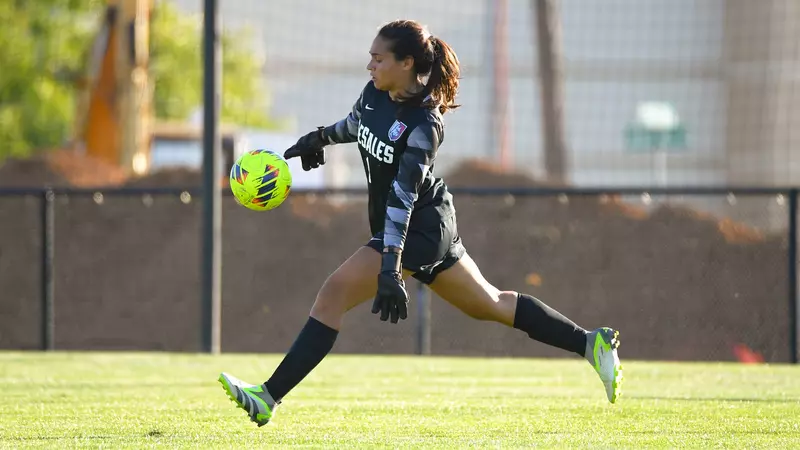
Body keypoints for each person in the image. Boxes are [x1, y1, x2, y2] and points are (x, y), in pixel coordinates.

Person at [218, 19, 622, 427]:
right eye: (370, 58)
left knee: (333, 294)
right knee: (490, 304)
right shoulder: (374, 94)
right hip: (425, 225)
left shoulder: (425, 125)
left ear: (407, 62)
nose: (370, 66)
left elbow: (403, 198)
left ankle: (267, 396)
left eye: (379, 58)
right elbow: (357, 126)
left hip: (420, 228)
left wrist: (391, 268)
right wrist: (319, 138)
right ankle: (591, 344)